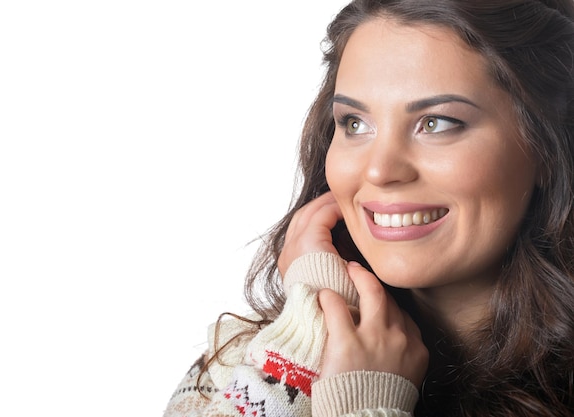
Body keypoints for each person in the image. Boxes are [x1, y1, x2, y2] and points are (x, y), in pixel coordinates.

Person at [163, 0, 574, 416]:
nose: (379, 170)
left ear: (546, 149)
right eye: (355, 123)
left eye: (437, 122)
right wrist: (312, 336)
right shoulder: (242, 368)